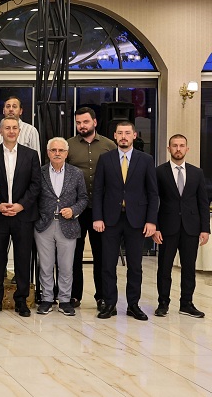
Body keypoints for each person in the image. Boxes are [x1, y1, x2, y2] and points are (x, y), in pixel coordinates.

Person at [93, 120, 158, 321]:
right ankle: (109, 304)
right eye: (120, 133)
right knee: (107, 264)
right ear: (114, 136)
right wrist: (97, 217)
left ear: (134, 135)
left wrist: (151, 221)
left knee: (135, 266)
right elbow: (98, 191)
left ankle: (133, 305)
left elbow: (152, 193)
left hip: (136, 220)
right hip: (110, 220)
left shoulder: (145, 160)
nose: (123, 136)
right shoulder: (105, 159)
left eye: (127, 133)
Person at [0, 117, 41, 317]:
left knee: (23, 259)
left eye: (14, 128)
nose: (11, 131)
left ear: (19, 131)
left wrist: (20, 205)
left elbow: (36, 184)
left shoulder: (31, 155)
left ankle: (22, 301)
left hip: (23, 215)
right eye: (7, 128)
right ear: (0, 132)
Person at [65, 107, 116, 309]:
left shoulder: (109, 146)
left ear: (94, 122)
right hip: (76, 210)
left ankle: (102, 296)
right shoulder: (68, 145)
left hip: (101, 210)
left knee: (101, 255)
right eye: (78, 122)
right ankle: (74, 295)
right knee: (74, 255)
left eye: (85, 122)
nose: (82, 126)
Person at [153, 134, 209, 318]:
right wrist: (155, 226)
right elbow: (154, 201)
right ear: (168, 149)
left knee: (189, 268)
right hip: (167, 228)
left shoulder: (197, 173)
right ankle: (163, 303)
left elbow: (203, 202)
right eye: (175, 145)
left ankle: (187, 304)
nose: (178, 149)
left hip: (191, 228)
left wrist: (205, 229)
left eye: (181, 145)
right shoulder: (159, 172)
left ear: (187, 148)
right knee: (164, 268)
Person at [34, 137, 87, 316]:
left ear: (67, 153)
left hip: (68, 225)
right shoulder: (39, 172)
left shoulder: (76, 173)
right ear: (48, 152)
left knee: (66, 266)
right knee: (46, 265)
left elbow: (83, 198)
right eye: (53, 150)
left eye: (61, 150)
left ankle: (65, 300)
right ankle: (47, 299)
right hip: (44, 225)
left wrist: (73, 210)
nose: (57, 153)